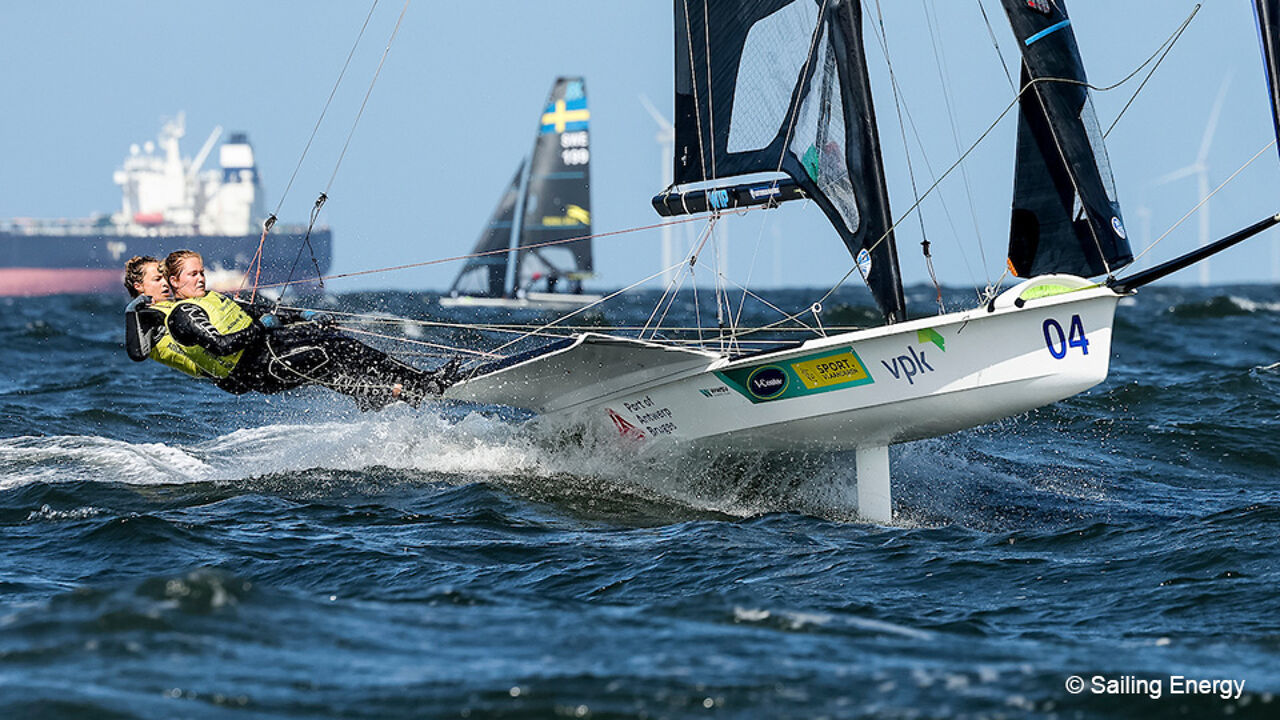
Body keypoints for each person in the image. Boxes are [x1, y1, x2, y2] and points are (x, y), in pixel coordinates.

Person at [144, 249, 460, 410]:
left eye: (202, 272)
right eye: (192, 275)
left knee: (341, 342)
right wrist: (259, 330)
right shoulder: (182, 316)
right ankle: (388, 393)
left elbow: (265, 311)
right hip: (255, 370)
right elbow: (223, 345)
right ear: (173, 282)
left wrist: (303, 316)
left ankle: (419, 380)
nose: (201, 279)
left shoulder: (214, 297)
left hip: (268, 350)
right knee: (325, 355)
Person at [124, 255, 204, 377]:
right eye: (157, 279)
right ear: (138, 286)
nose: (165, 284)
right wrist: (131, 310)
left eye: (165, 278)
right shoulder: (145, 316)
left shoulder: (177, 303)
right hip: (217, 370)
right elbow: (137, 354)